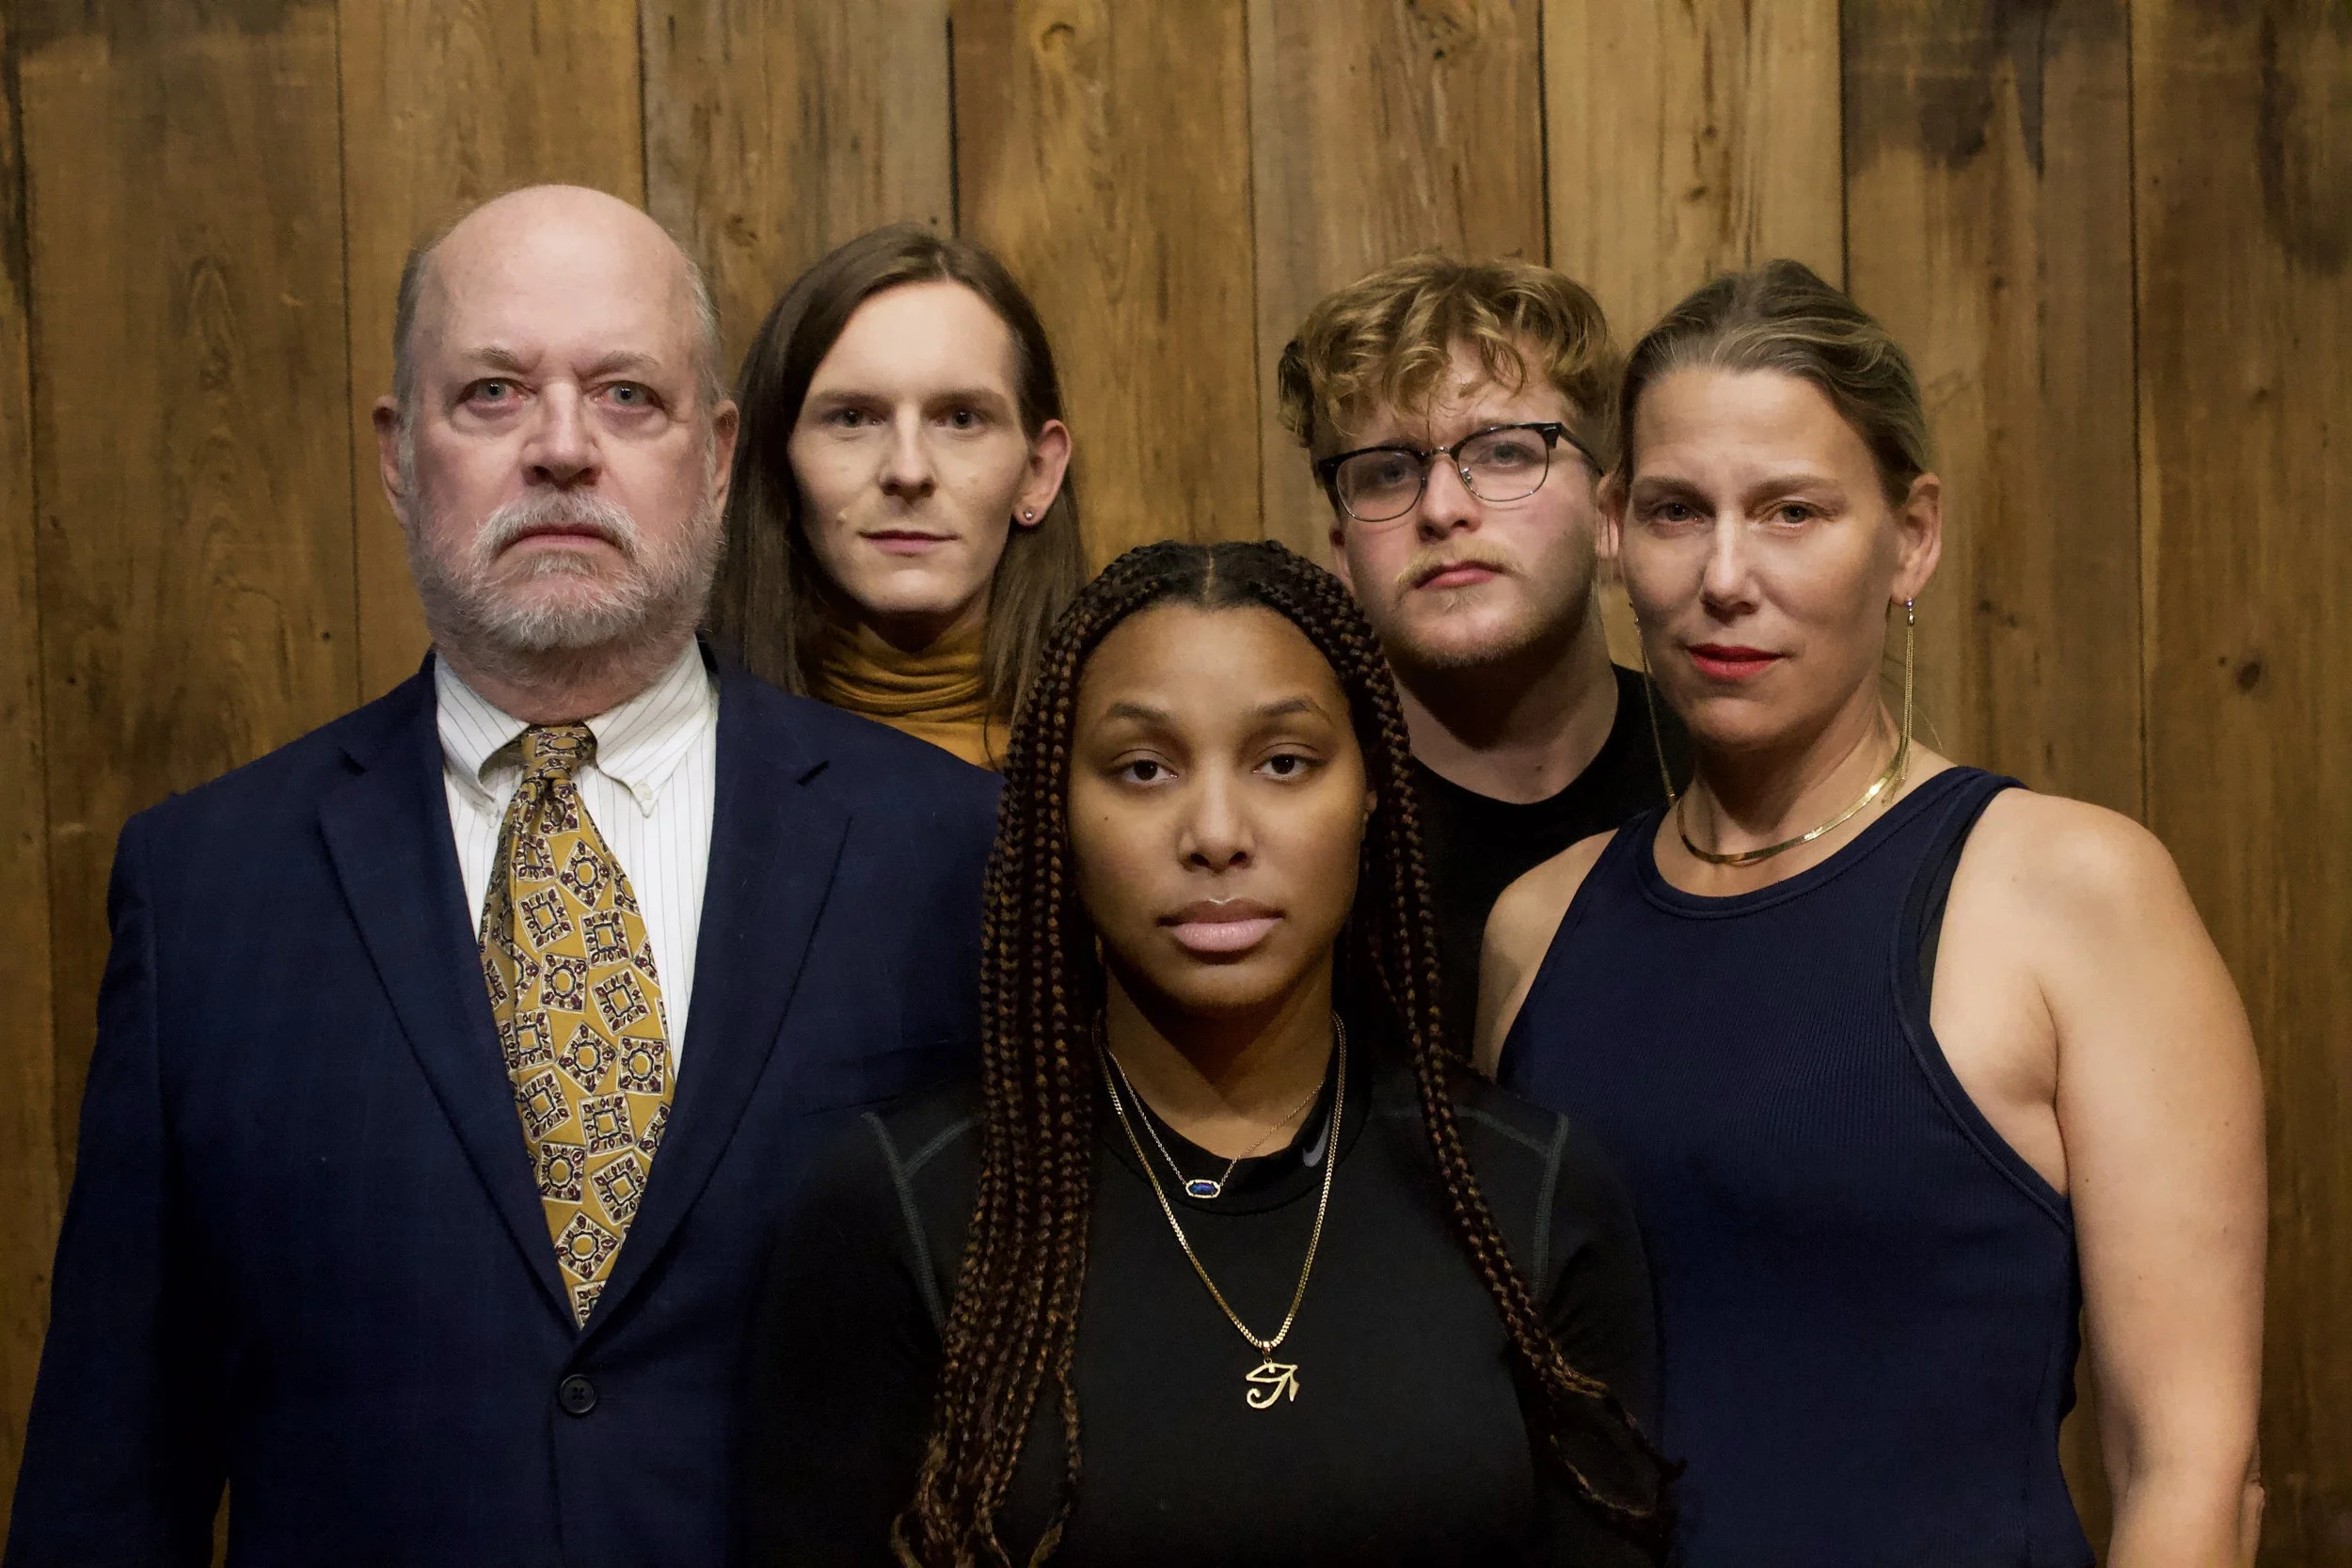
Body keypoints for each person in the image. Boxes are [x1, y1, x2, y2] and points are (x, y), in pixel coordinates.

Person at [6, 186, 1000, 1568]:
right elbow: (110, 1484)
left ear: (718, 457)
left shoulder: (951, 850)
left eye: (627, 395)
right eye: (491, 392)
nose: (562, 448)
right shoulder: (205, 890)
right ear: (397, 453)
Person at [1479, 261, 2266, 1567]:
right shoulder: (1538, 927)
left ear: (1911, 536)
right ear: (1614, 528)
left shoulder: (2069, 892)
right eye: (1677, 510)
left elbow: (2191, 1462)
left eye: (1791, 511)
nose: (1725, 574)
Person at [742, 541, 1674, 1567]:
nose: (1217, 832)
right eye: (1143, 769)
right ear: (1059, 807)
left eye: (1284, 762)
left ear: (1370, 787)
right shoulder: (904, 1207)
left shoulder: (1529, 1192)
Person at [1278, 254, 1690, 1042]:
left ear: (1610, 512)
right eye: (1387, 472)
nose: (1441, 508)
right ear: (1342, 554)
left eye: (1504, 452)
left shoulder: (1727, 781)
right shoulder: (1289, 830)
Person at [707, 224, 1083, 768]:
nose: (908, 471)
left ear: (1038, 473)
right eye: (853, 418)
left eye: (961, 419)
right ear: (777, 462)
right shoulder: (686, 758)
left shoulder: (1126, 761)